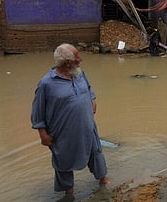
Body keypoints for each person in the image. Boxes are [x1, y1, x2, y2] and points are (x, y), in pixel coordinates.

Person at [31, 43, 109, 198]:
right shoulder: (46, 84)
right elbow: (37, 111)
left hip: (87, 127)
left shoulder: (79, 74)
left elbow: (89, 89)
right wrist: (43, 135)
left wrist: (93, 100)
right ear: (67, 62)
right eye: (77, 57)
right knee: (63, 161)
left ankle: (104, 181)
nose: (80, 59)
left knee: (96, 154)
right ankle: (69, 192)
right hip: (63, 132)